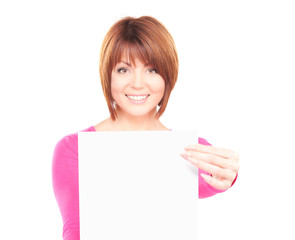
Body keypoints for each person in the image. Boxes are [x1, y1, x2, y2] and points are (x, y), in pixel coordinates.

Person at [52, 16, 240, 240]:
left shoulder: (191, 151)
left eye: (152, 70)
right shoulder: (74, 149)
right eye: (123, 70)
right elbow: (75, 232)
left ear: (168, 76)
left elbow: (215, 179)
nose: (138, 83)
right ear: (107, 76)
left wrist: (227, 176)